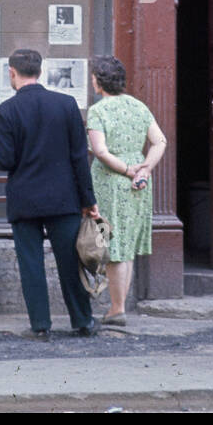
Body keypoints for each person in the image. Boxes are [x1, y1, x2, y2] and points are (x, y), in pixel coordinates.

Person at [0, 49, 100, 339]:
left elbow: (5, 160)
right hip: (64, 199)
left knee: (31, 264)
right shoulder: (66, 105)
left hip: (25, 200)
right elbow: (79, 158)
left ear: (12, 72)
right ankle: (83, 320)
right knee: (70, 263)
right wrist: (89, 200)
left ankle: (40, 326)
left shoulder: (6, 111)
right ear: (39, 70)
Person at [85, 56, 167, 326]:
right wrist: (144, 169)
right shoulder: (138, 106)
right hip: (138, 183)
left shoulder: (99, 110)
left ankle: (116, 308)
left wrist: (127, 170)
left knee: (112, 243)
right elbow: (159, 141)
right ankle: (118, 305)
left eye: (94, 76)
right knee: (127, 243)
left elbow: (100, 151)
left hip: (111, 181)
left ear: (99, 80)